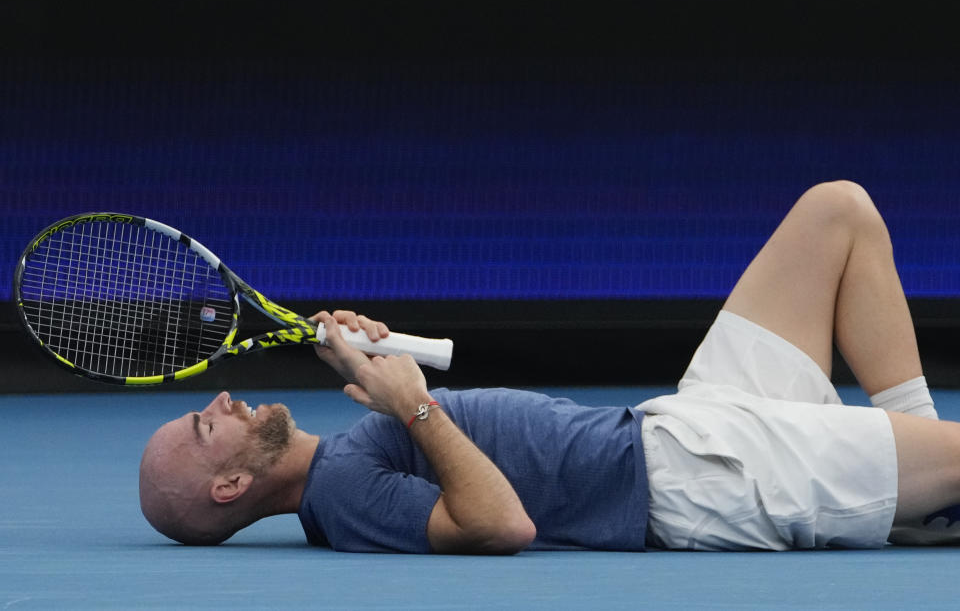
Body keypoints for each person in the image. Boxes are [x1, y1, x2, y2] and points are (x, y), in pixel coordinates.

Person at [140, 181, 960, 552]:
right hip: (699, 477)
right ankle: (930, 479)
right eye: (204, 427)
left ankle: (919, 473)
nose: (221, 401)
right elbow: (500, 525)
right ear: (229, 488)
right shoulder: (342, 499)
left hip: (678, 424)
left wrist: (372, 366)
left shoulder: (348, 461)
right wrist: (414, 405)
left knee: (837, 211)